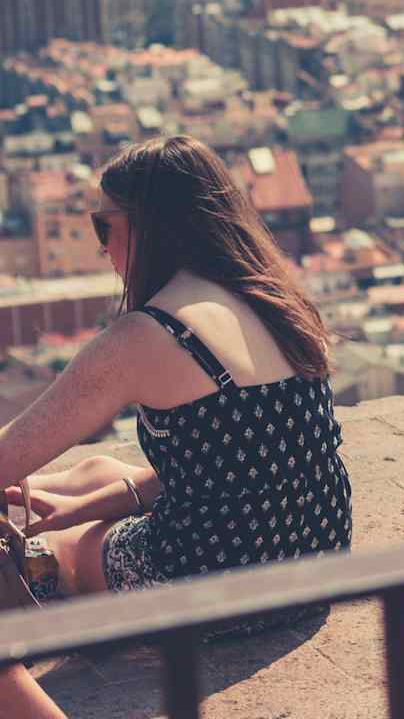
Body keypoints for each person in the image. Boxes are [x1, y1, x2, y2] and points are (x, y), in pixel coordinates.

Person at [0, 134, 352, 614]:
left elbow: (9, 454)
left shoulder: (149, 335)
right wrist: (92, 501)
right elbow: (240, 462)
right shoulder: (273, 300)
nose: (102, 248)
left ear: (149, 228)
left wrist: (78, 525)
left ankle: (53, 571)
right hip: (317, 561)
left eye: (104, 227)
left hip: (217, 580)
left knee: (67, 549)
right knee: (96, 470)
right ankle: (53, 509)